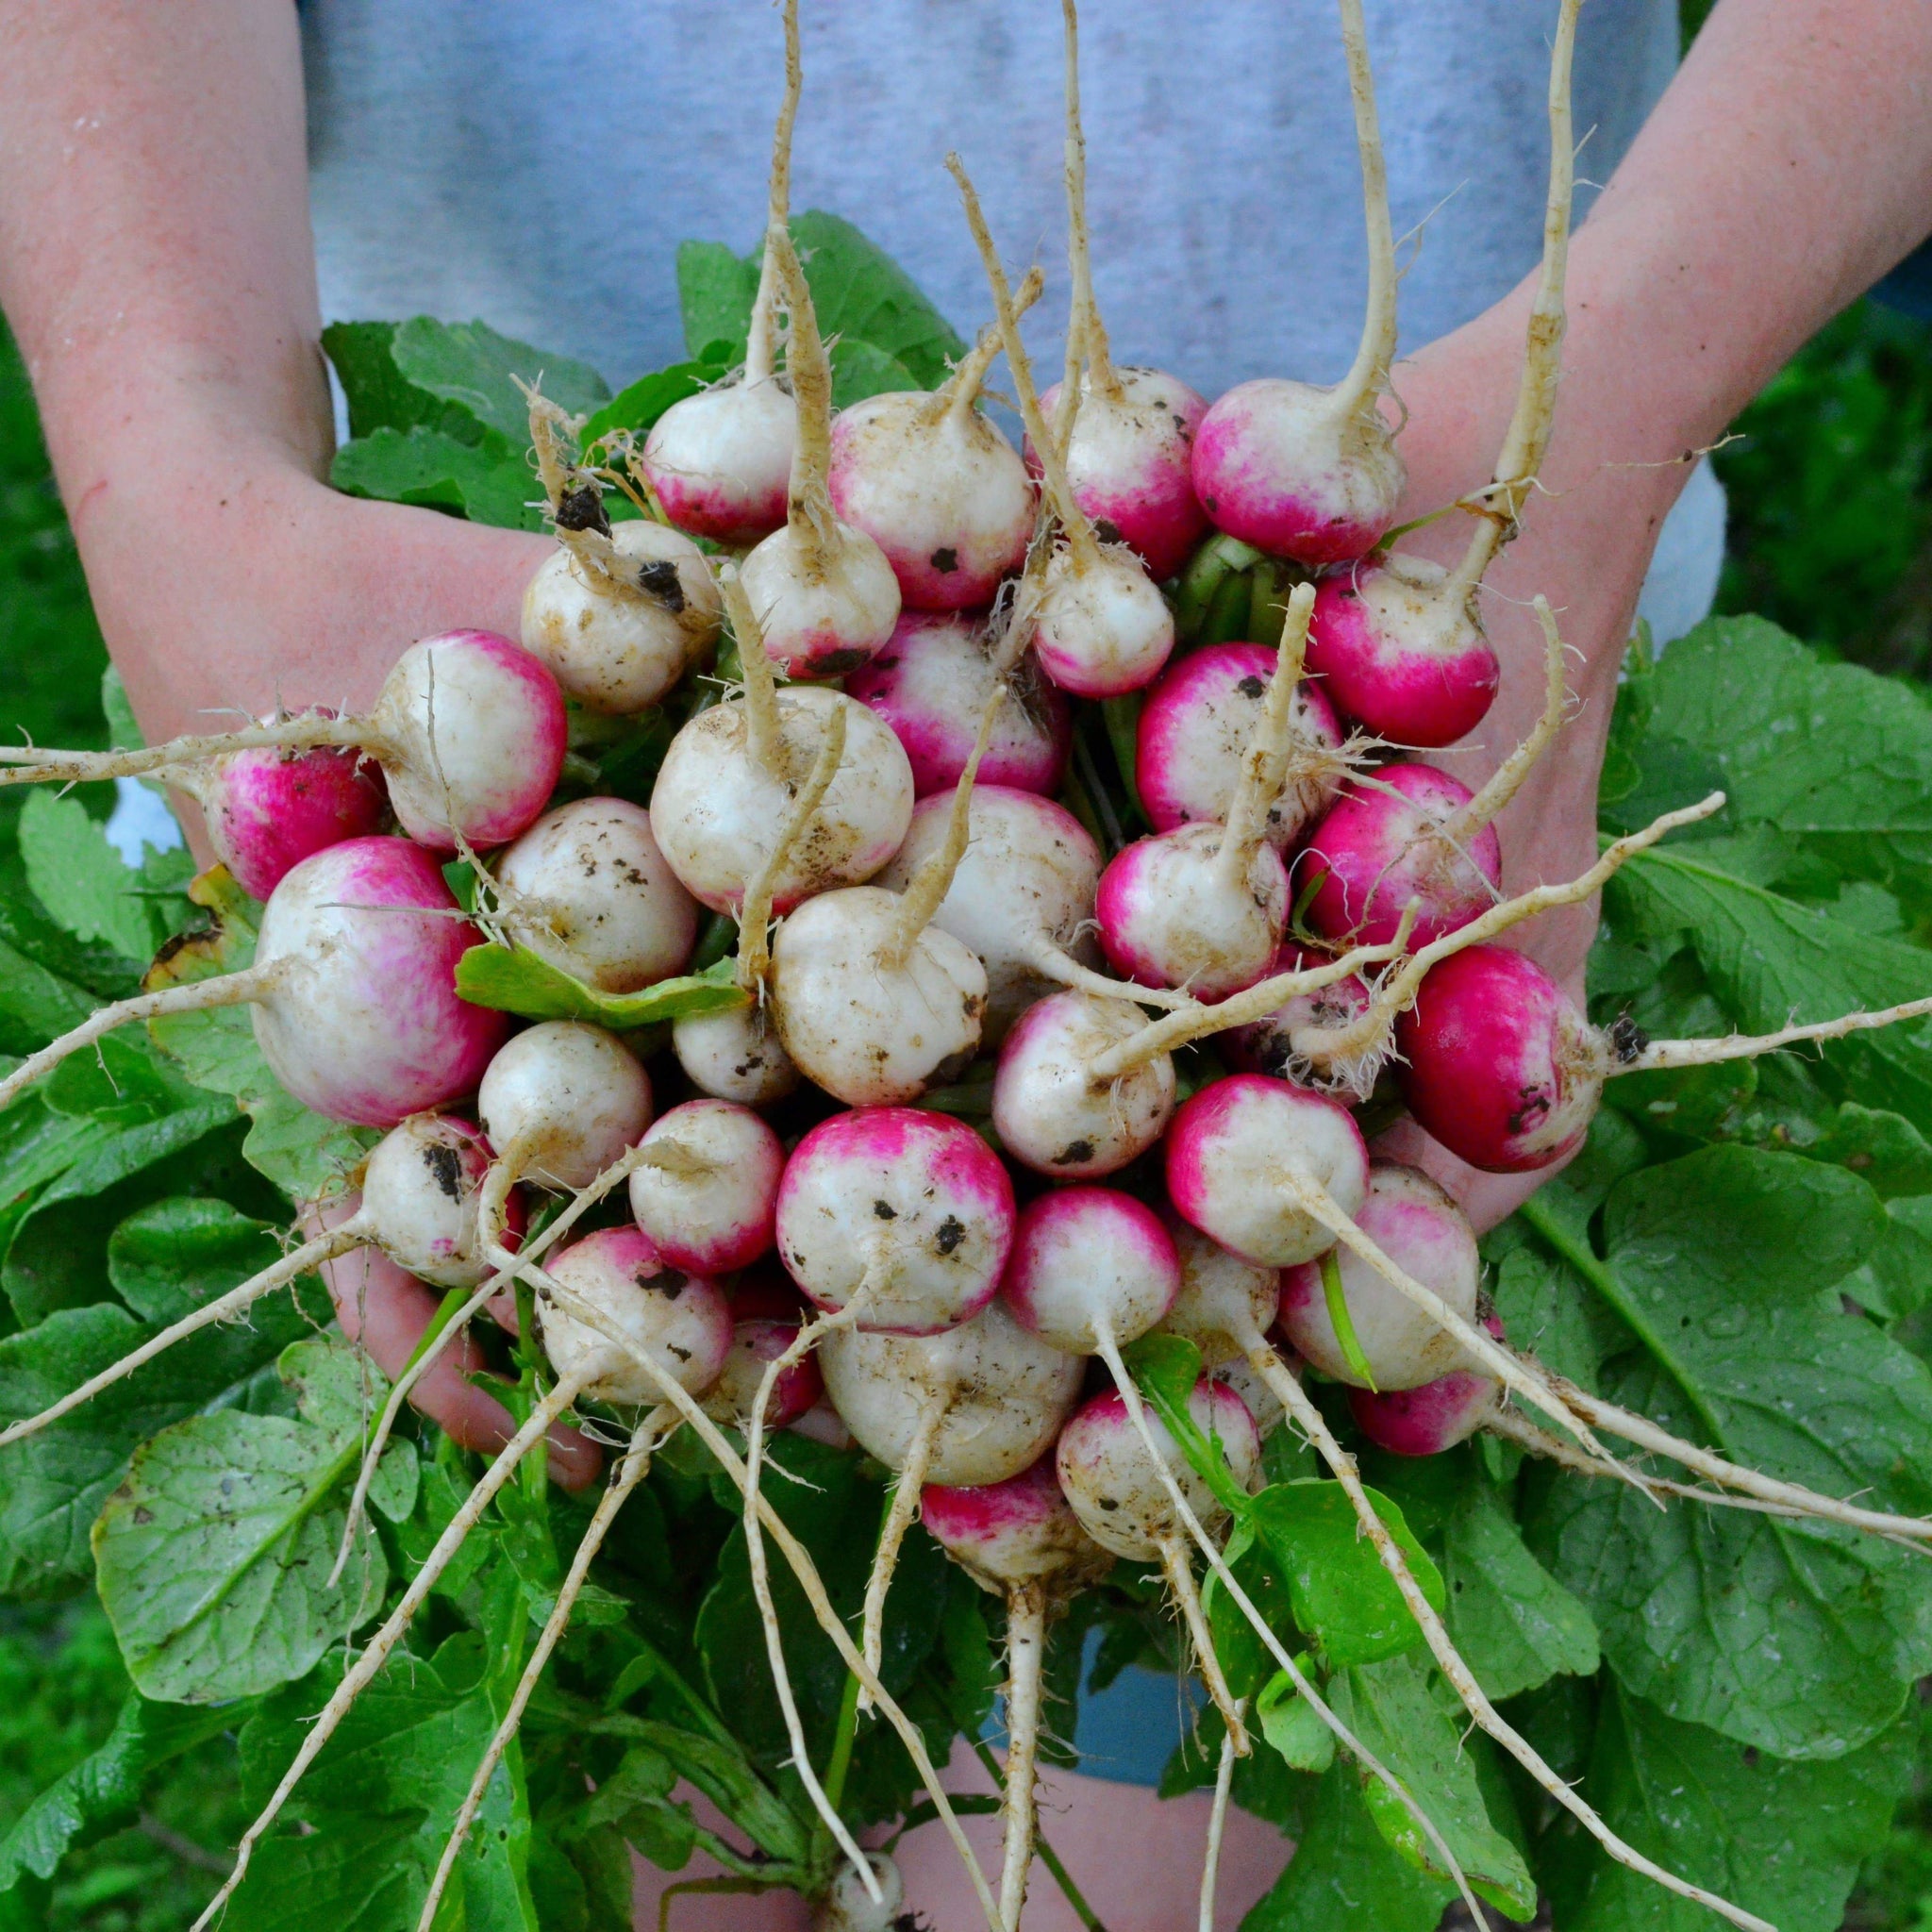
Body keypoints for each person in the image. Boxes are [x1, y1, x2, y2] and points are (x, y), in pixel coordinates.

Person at [3, 3, 1930, 1924]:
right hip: (471, 599)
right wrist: (174, 487)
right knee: (670, 1740)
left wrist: (1594, 409)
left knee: (1170, 1731)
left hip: (1441, 640)